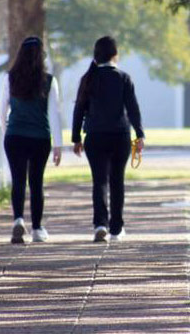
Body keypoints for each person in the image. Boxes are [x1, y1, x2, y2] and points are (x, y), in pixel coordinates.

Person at [72, 36, 145, 243]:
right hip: (119, 136)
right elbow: (133, 109)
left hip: (94, 136)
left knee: (99, 181)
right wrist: (139, 134)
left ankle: (100, 224)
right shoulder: (123, 78)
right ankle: (116, 228)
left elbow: (79, 109)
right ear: (115, 55)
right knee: (117, 181)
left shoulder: (88, 78)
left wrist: (76, 137)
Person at [0, 36, 63, 244]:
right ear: (41, 56)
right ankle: (37, 228)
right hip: (39, 138)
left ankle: (18, 219)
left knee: (18, 180)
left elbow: (1, 110)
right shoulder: (49, 81)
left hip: (15, 136)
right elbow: (54, 114)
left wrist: (6, 130)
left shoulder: (10, 78)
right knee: (36, 182)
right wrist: (58, 145)